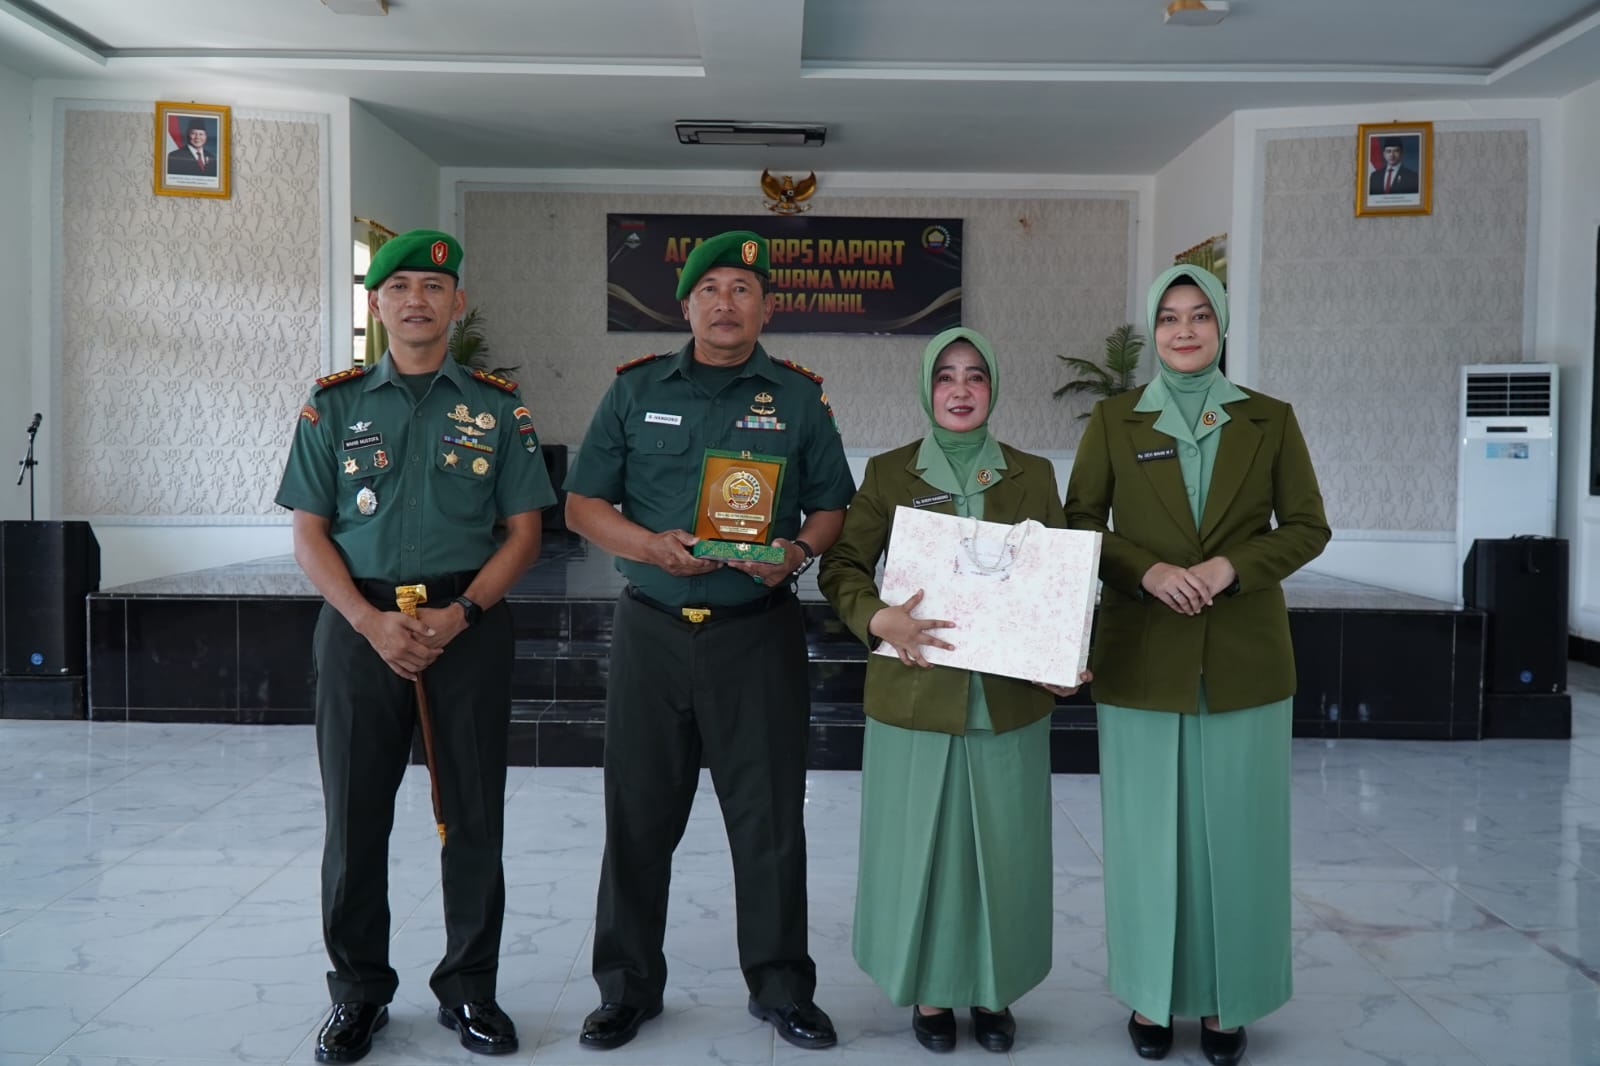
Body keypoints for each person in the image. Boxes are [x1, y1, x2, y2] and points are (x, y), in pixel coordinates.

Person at [564, 229, 854, 1052]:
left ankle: (782, 987)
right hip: (652, 632)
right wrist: (648, 546)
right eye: (711, 290)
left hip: (756, 636)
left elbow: (832, 506)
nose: (726, 304)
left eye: (743, 290)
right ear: (686, 306)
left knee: (769, 821)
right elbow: (583, 504)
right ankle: (627, 988)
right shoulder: (634, 389)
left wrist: (796, 553)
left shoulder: (799, 398)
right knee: (637, 816)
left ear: (768, 308)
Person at [276, 229, 556, 1063]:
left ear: (456, 303)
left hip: (466, 627)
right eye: (399, 287)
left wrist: (461, 613)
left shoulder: (498, 408)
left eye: (434, 287)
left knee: (472, 816)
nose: (416, 301)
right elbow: (309, 534)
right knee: (354, 819)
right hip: (358, 624)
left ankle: (470, 989)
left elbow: (525, 533)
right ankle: (358, 994)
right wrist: (369, 623)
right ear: (377, 305)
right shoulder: (334, 405)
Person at [1064, 264, 1329, 1065]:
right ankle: (1149, 995)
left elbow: (1308, 525)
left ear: (1221, 328)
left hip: (1245, 660)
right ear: (1155, 331)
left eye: (1199, 316)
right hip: (1142, 654)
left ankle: (1227, 1002)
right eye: (1170, 318)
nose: (1184, 331)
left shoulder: (1269, 419)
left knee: (1238, 838)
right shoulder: (1114, 419)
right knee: (1147, 839)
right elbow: (1081, 521)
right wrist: (1144, 570)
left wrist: (1231, 567)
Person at [818, 327, 1089, 1054]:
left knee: (1004, 850)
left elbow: (1062, 583)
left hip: (1008, 699)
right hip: (916, 694)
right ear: (927, 390)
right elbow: (841, 565)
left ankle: (995, 993)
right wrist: (876, 617)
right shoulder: (890, 473)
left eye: (975, 376)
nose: (961, 390)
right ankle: (932, 993)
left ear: (992, 389)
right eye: (946, 376)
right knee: (924, 852)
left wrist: (1064, 654)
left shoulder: (1032, 474)